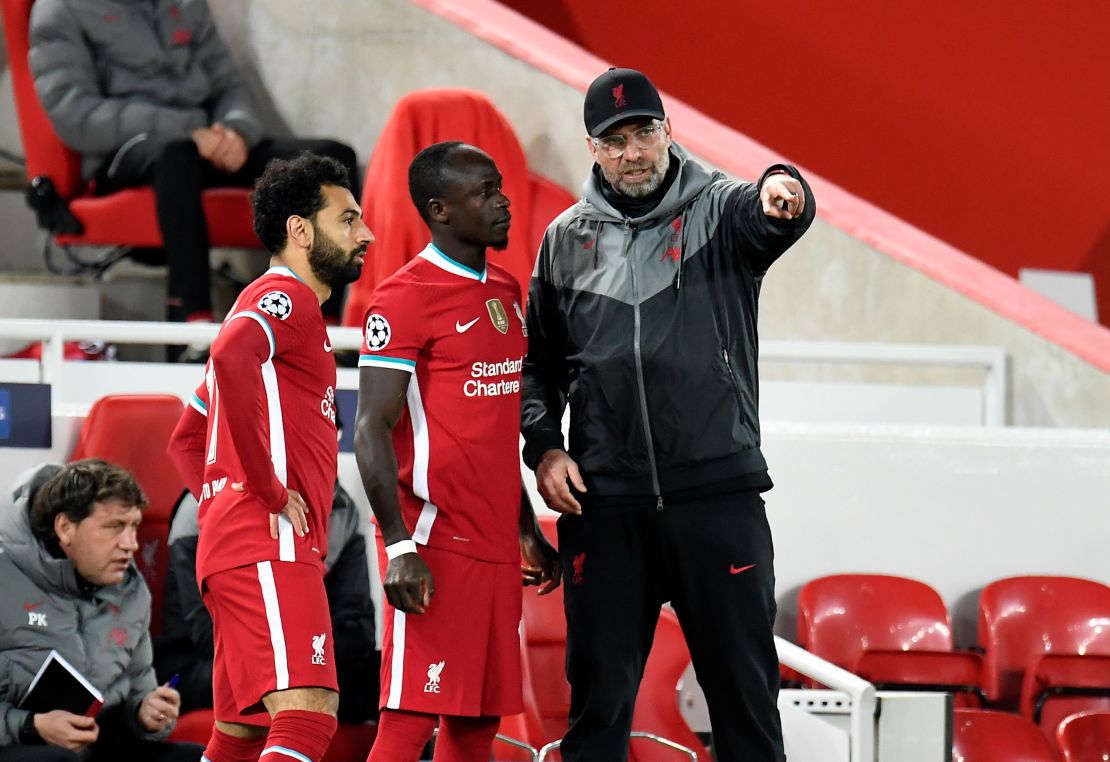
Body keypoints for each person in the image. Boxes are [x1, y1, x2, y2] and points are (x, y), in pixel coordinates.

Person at [520, 68, 816, 762]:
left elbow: (772, 211)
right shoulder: (564, 240)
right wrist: (543, 447)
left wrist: (783, 189)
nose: (634, 151)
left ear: (668, 132)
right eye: (615, 140)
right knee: (597, 712)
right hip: (607, 506)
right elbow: (539, 365)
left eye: (644, 133)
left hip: (718, 499)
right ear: (593, 149)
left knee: (745, 703)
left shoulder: (718, 210)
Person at [354, 141, 560, 762]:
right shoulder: (402, 297)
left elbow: (491, 433)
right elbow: (369, 430)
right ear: (440, 209)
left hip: (495, 543)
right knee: (409, 720)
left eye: (500, 187)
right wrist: (398, 546)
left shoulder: (504, 288)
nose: (503, 203)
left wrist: (524, 528)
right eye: (485, 193)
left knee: (475, 725)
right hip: (433, 543)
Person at [166, 152, 372, 762]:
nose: (365, 233)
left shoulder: (266, 306)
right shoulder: (286, 297)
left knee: (242, 734)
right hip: (269, 545)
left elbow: (185, 439)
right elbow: (231, 354)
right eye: (348, 219)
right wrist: (268, 494)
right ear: (300, 231)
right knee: (309, 718)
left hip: (239, 548)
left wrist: (222, 507)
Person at [27, 0, 361, 331]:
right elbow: (77, 116)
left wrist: (235, 131)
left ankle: (321, 326)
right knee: (177, 155)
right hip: (127, 153)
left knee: (330, 161)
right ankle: (194, 325)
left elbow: (228, 83)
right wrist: (187, 130)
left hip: (205, 142)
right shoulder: (60, 9)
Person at [0, 459, 203, 761]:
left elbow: (138, 687)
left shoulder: (131, 591)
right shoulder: (6, 577)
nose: (131, 544)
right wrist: (33, 725)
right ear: (65, 527)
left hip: (100, 745)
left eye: (134, 526)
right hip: (18, 744)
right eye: (114, 527)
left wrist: (144, 713)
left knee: (196, 757)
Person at [155, 480, 379, 723]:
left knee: (395, 678)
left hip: (307, 660)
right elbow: (206, 629)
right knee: (285, 689)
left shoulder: (342, 509)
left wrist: (310, 663)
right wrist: (294, 662)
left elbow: (357, 627)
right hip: (208, 662)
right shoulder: (204, 502)